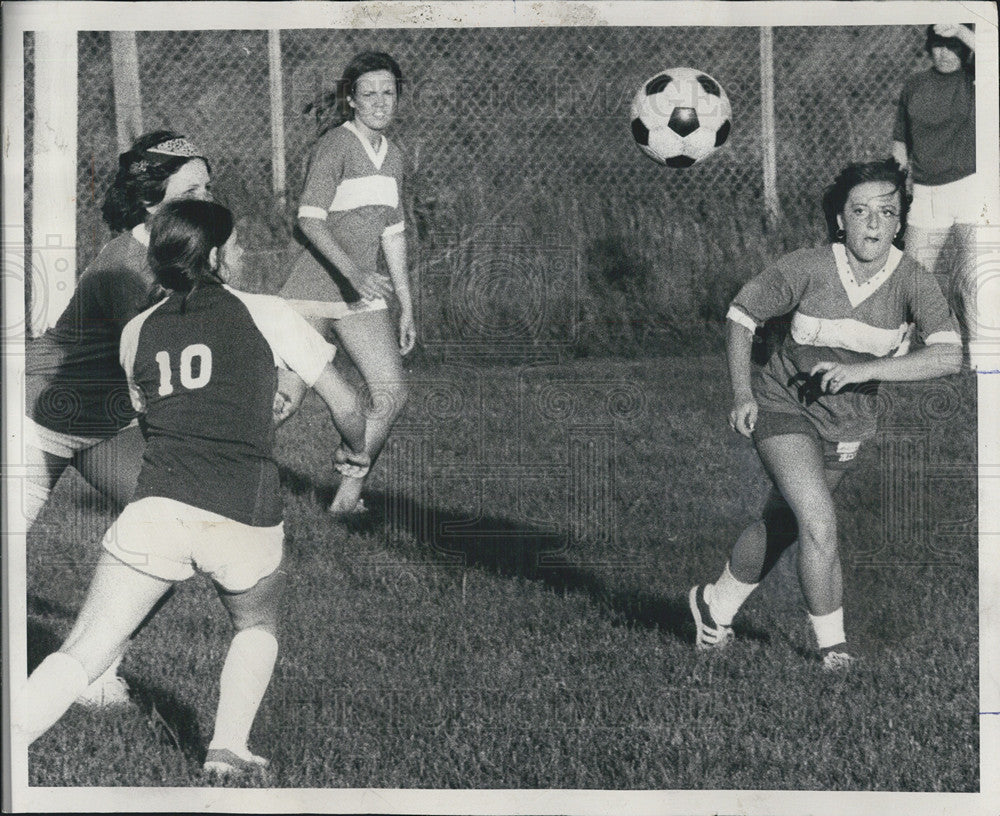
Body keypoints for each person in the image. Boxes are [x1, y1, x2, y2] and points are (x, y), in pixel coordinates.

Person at [13, 199, 370, 778]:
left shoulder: (136, 331)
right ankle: (227, 750)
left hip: (158, 504)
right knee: (256, 624)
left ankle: (13, 742)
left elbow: (148, 413)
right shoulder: (269, 313)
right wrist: (356, 457)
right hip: (245, 510)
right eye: (237, 243)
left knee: (84, 649)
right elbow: (350, 404)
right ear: (220, 254)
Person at [688, 159, 962, 670]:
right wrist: (742, 393)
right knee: (818, 520)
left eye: (886, 211)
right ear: (841, 219)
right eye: (861, 211)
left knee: (785, 525)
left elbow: (949, 355)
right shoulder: (808, 267)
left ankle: (713, 604)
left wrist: (863, 372)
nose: (874, 223)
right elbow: (741, 314)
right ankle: (833, 651)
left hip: (848, 423)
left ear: (900, 222)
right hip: (781, 404)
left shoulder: (913, 282)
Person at [23, 130, 212, 705]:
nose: (207, 198)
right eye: (192, 189)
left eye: (209, 186)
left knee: (174, 532)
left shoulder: (184, 250)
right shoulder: (126, 262)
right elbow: (162, 366)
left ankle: (92, 669)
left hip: (104, 423)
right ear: (153, 201)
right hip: (38, 412)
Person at [276, 51, 416, 515]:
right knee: (283, 403)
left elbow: (393, 233)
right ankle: (204, 481)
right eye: (369, 93)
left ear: (398, 97)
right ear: (352, 100)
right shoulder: (335, 145)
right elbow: (308, 222)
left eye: (388, 92)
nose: (379, 101)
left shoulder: (395, 156)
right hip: (310, 294)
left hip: (363, 298)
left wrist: (407, 307)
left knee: (390, 394)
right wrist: (354, 272)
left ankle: (346, 498)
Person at [891, 24, 978, 362]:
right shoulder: (915, 85)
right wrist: (898, 187)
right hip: (927, 194)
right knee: (911, 278)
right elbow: (901, 141)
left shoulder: (977, 78)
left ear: (966, 47)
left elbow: (993, 53)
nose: (944, 53)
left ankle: (984, 357)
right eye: (937, 46)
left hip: (972, 189)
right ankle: (895, 352)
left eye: (953, 45)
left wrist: (959, 28)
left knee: (971, 280)